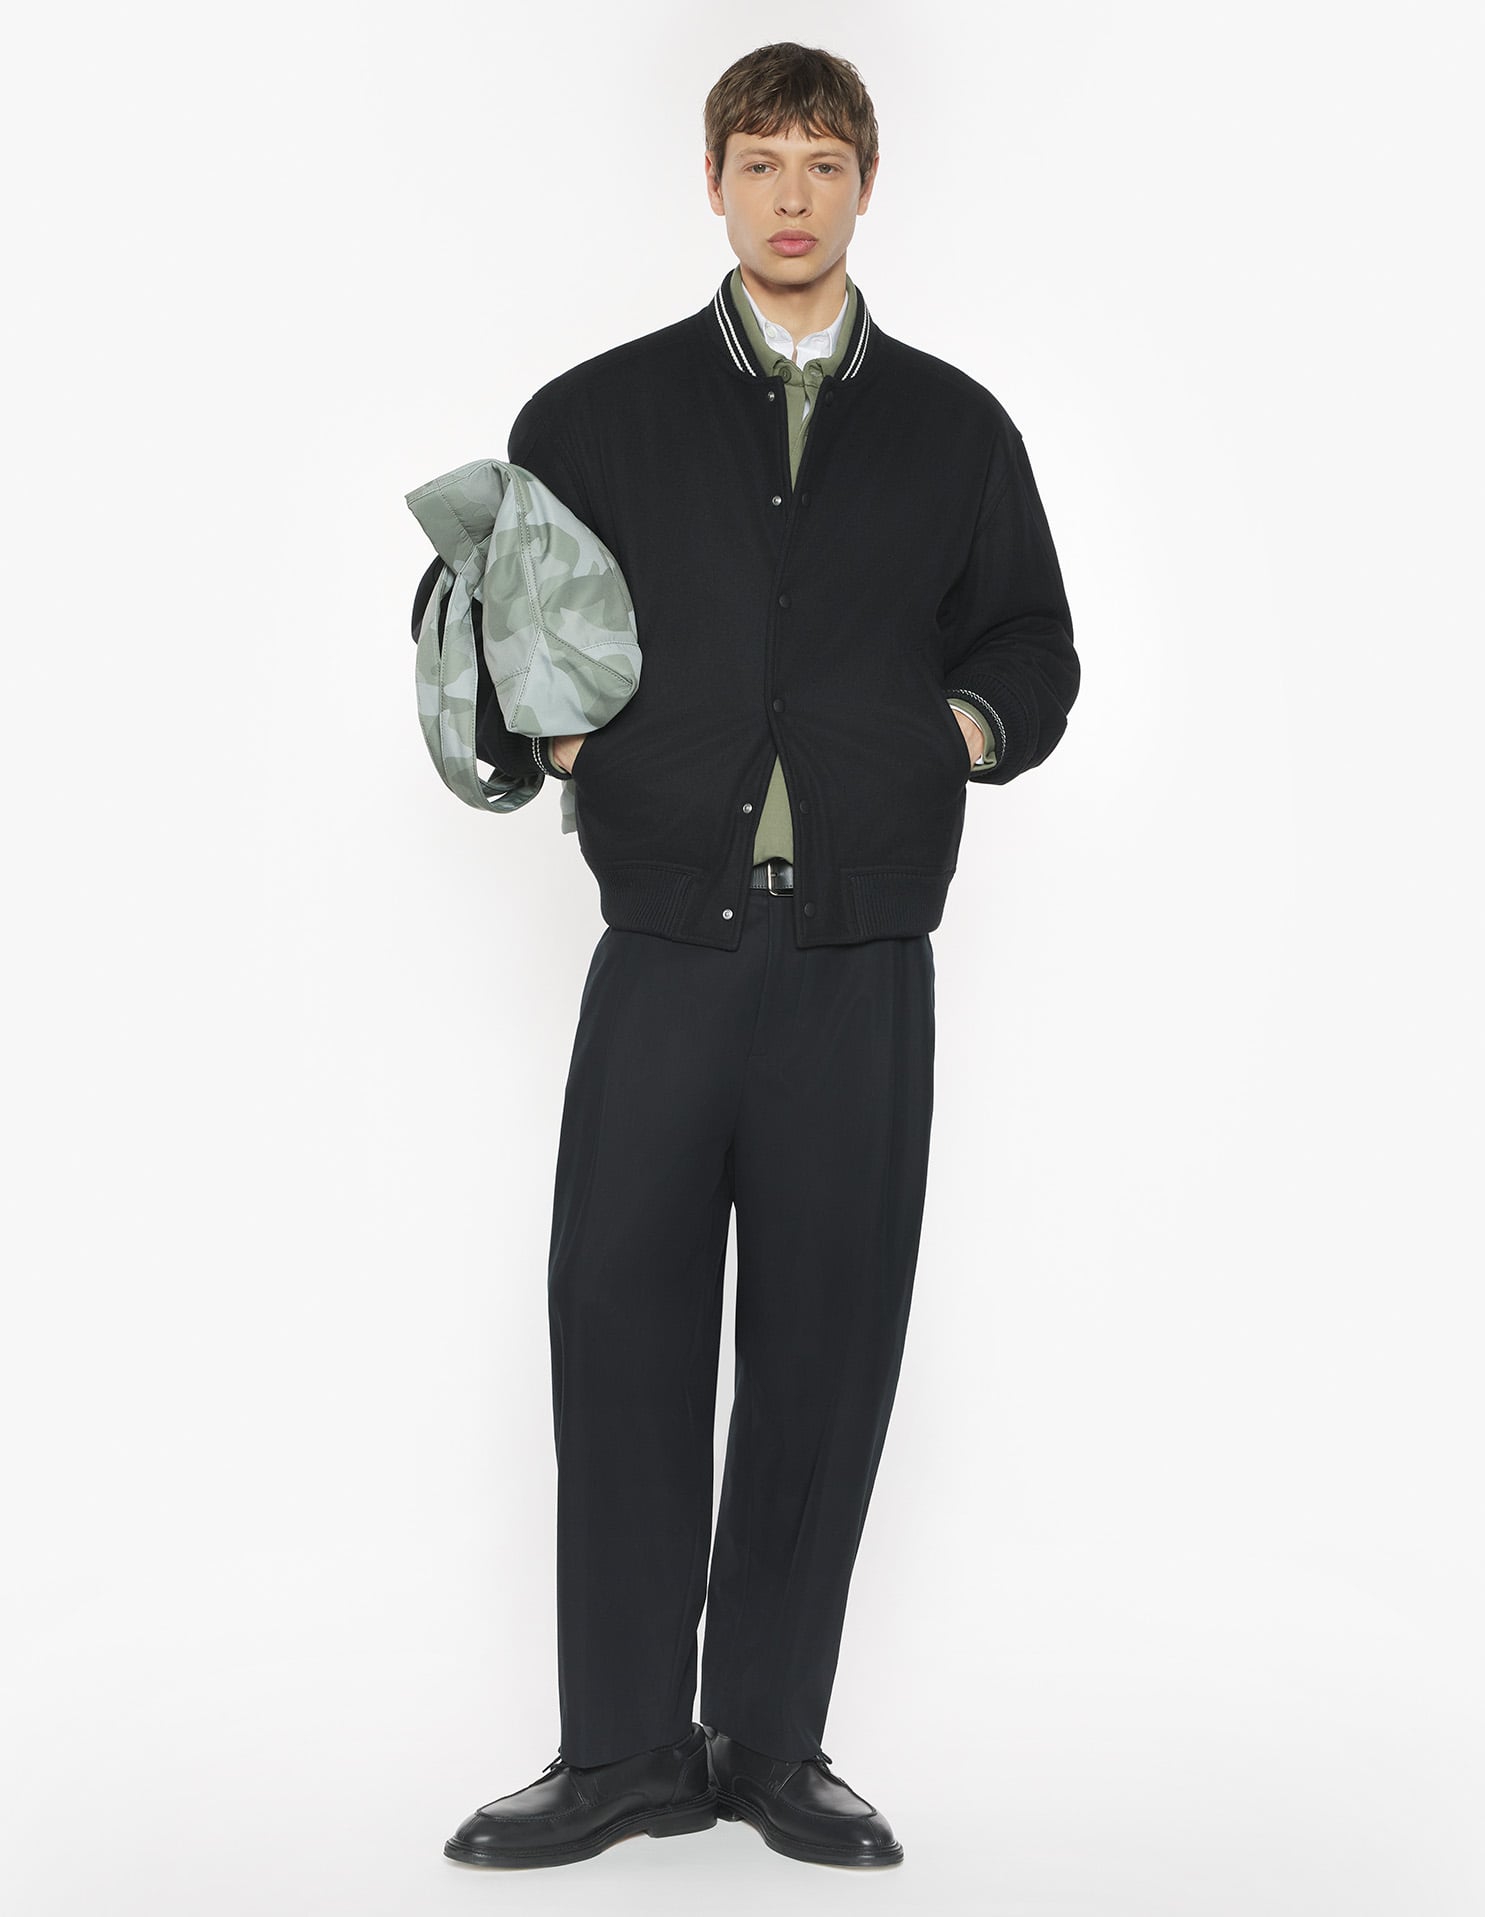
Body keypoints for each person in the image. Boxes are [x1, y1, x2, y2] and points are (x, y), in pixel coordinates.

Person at [442, 39, 1079, 1872]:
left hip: (858, 955)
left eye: (821, 162)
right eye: (758, 161)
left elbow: (1032, 646)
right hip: (666, 947)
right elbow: (507, 621)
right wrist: (577, 741)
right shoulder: (595, 413)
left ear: (865, 183)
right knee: (617, 1330)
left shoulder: (954, 430)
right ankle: (621, 1751)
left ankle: (774, 1744)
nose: (790, 196)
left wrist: (946, 733)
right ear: (709, 181)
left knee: (825, 1346)